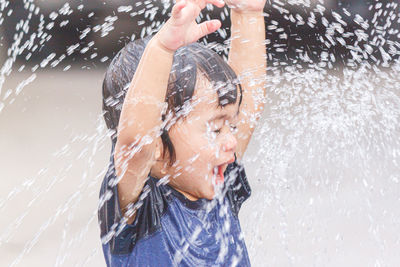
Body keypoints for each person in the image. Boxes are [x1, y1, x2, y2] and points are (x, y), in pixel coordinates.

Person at [98, 0, 266, 265]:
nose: (231, 139)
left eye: (230, 126)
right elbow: (136, 142)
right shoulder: (142, 206)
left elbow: (250, 103)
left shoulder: (218, 188)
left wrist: (249, 14)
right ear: (159, 148)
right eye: (215, 129)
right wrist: (162, 49)